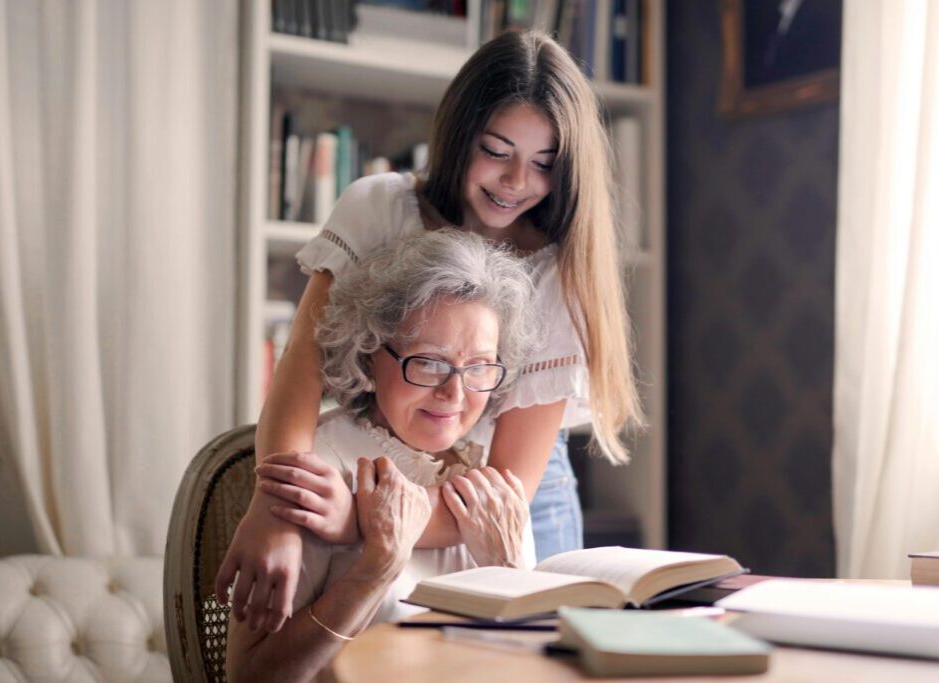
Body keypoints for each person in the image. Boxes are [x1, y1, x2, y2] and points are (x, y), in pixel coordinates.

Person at [217, 29, 646, 633]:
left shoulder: (557, 269)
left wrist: (353, 521)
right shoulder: (379, 208)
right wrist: (275, 510)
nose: (515, 181)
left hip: (508, 496)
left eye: (544, 164)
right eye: (496, 150)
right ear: (458, 135)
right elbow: (301, 372)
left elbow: (510, 487)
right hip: (378, 462)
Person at [225, 230, 535, 682]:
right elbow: (251, 677)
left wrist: (509, 572)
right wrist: (373, 573)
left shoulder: (492, 484)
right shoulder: (318, 470)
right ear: (369, 354)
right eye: (429, 361)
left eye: (479, 367)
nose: (455, 392)